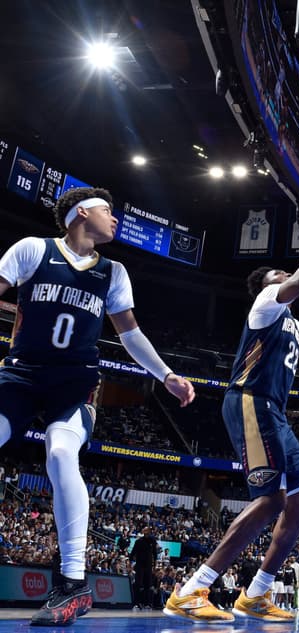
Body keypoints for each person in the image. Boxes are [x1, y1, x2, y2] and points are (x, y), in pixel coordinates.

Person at [0, 187, 196, 626]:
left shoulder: (114, 272)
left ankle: (71, 585)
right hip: (20, 374)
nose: (116, 219)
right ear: (81, 213)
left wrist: (166, 375)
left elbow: (130, 335)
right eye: (109, 211)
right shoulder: (33, 250)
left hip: (74, 383)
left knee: (60, 451)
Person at [164, 217, 299, 623]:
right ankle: (192, 589)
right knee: (271, 499)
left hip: (275, 411)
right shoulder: (267, 303)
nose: (287, 276)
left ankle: (255, 594)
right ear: (268, 286)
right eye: (281, 274)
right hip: (250, 401)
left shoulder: (293, 323)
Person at [130, 526, 159, 609]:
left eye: (148, 530)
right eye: (145, 530)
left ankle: (147, 603)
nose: (146, 531)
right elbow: (132, 553)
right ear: (143, 531)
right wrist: (130, 564)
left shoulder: (152, 541)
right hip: (139, 566)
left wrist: (154, 566)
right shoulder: (138, 541)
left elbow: (155, 554)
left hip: (148, 566)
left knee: (148, 585)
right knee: (138, 584)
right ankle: (136, 603)